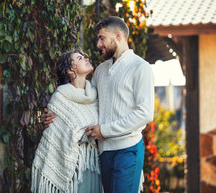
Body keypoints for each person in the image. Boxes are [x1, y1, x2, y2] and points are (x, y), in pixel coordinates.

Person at [42, 16, 155, 193]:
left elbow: (145, 113)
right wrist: (54, 114)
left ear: (118, 35)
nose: (98, 44)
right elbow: (84, 100)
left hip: (128, 148)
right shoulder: (101, 70)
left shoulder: (141, 67)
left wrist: (104, 130)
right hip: (103, 153)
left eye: (102, 38)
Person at [31, 49, 103, 193]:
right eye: (80, 58)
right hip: (72, 169)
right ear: (71, 70)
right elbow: (55, 136)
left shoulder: (97, 94)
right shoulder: (60, 98)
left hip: (94, 164)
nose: (86, 59)